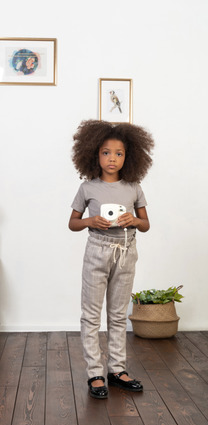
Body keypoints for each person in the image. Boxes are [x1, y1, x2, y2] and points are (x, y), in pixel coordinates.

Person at [69, 119, 154, 399]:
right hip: (97, 249)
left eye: (119, 153)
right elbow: (72, 223)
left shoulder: (134, 186)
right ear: (94, 153)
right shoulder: (87, 188)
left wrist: (134, 220)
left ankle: (117, 370)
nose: (112, 158)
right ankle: (95, 372)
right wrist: (90, 220)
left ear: (128, 157)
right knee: (91, 315)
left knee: (118, 315)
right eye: (106, 152)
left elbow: (146, 224)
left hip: (127, 251)